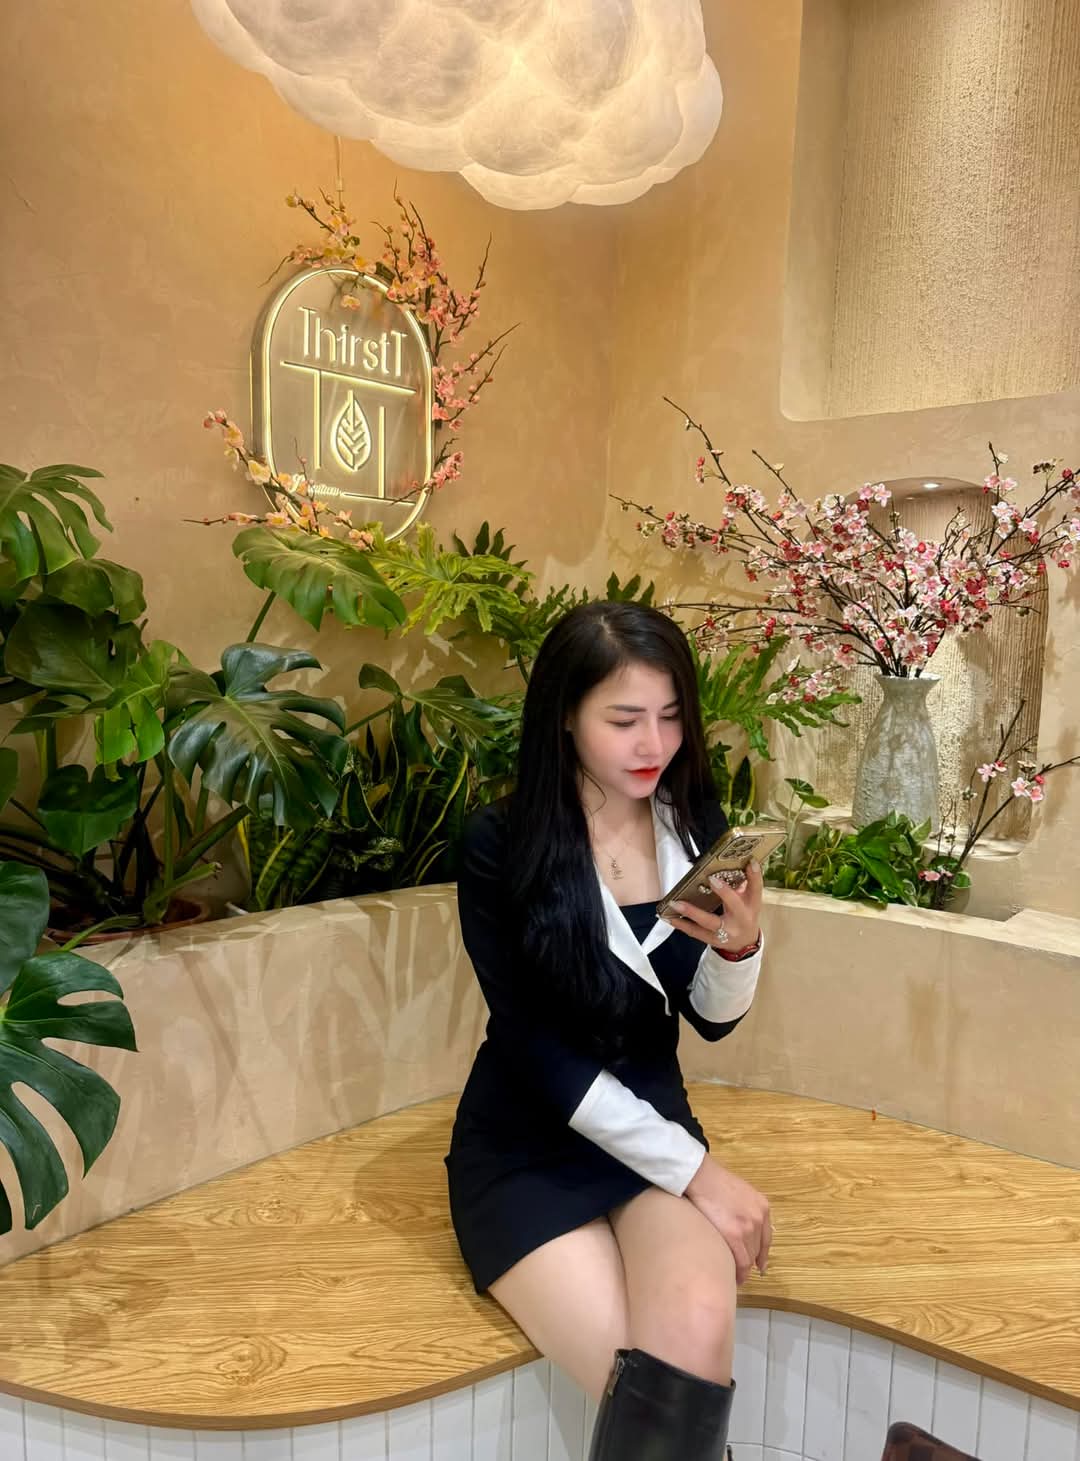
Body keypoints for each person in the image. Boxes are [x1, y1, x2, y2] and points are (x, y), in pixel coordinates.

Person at [445, 601, 772, 1460]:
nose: (652, 744)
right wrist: (700, 1173)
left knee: (695, 1330)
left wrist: (740, 947)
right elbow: (538, 1052)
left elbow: (710, 1019)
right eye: (624, 720)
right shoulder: (499, 843)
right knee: (649, 1388)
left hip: (652, 1125)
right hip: (526, 1143)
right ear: (565, 714)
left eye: (670, 716)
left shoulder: (693, 824)